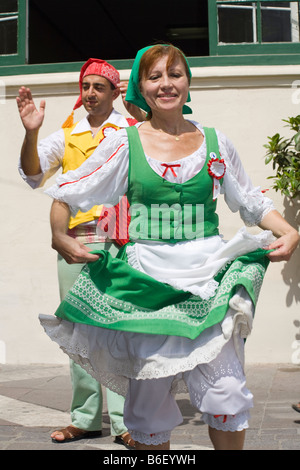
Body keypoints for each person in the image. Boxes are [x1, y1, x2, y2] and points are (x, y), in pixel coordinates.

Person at [39, 44, 300, 451]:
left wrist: (289, 231)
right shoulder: (124, 143)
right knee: (148, 405)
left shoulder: (215, 141)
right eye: (155, 76)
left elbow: (251, 202)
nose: (166, 84)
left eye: (175, 74)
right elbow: (70, 192)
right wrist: (60, 235)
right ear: (141, 88)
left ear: (188, 82)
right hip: (148, 280)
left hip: (208, 274)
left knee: (228, 394)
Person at [17, 58, 144, 448]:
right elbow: (34, 173)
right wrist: (32, 134)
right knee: (78, 331)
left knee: (118, 329)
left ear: (114, 92)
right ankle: (85, 418)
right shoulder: (68, 131)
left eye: (99, 87)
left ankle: (125, 423)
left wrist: (138, 114)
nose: (90, 93)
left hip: (119, 240)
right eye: (85, 86)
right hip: (75, 241)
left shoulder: (128, 130)